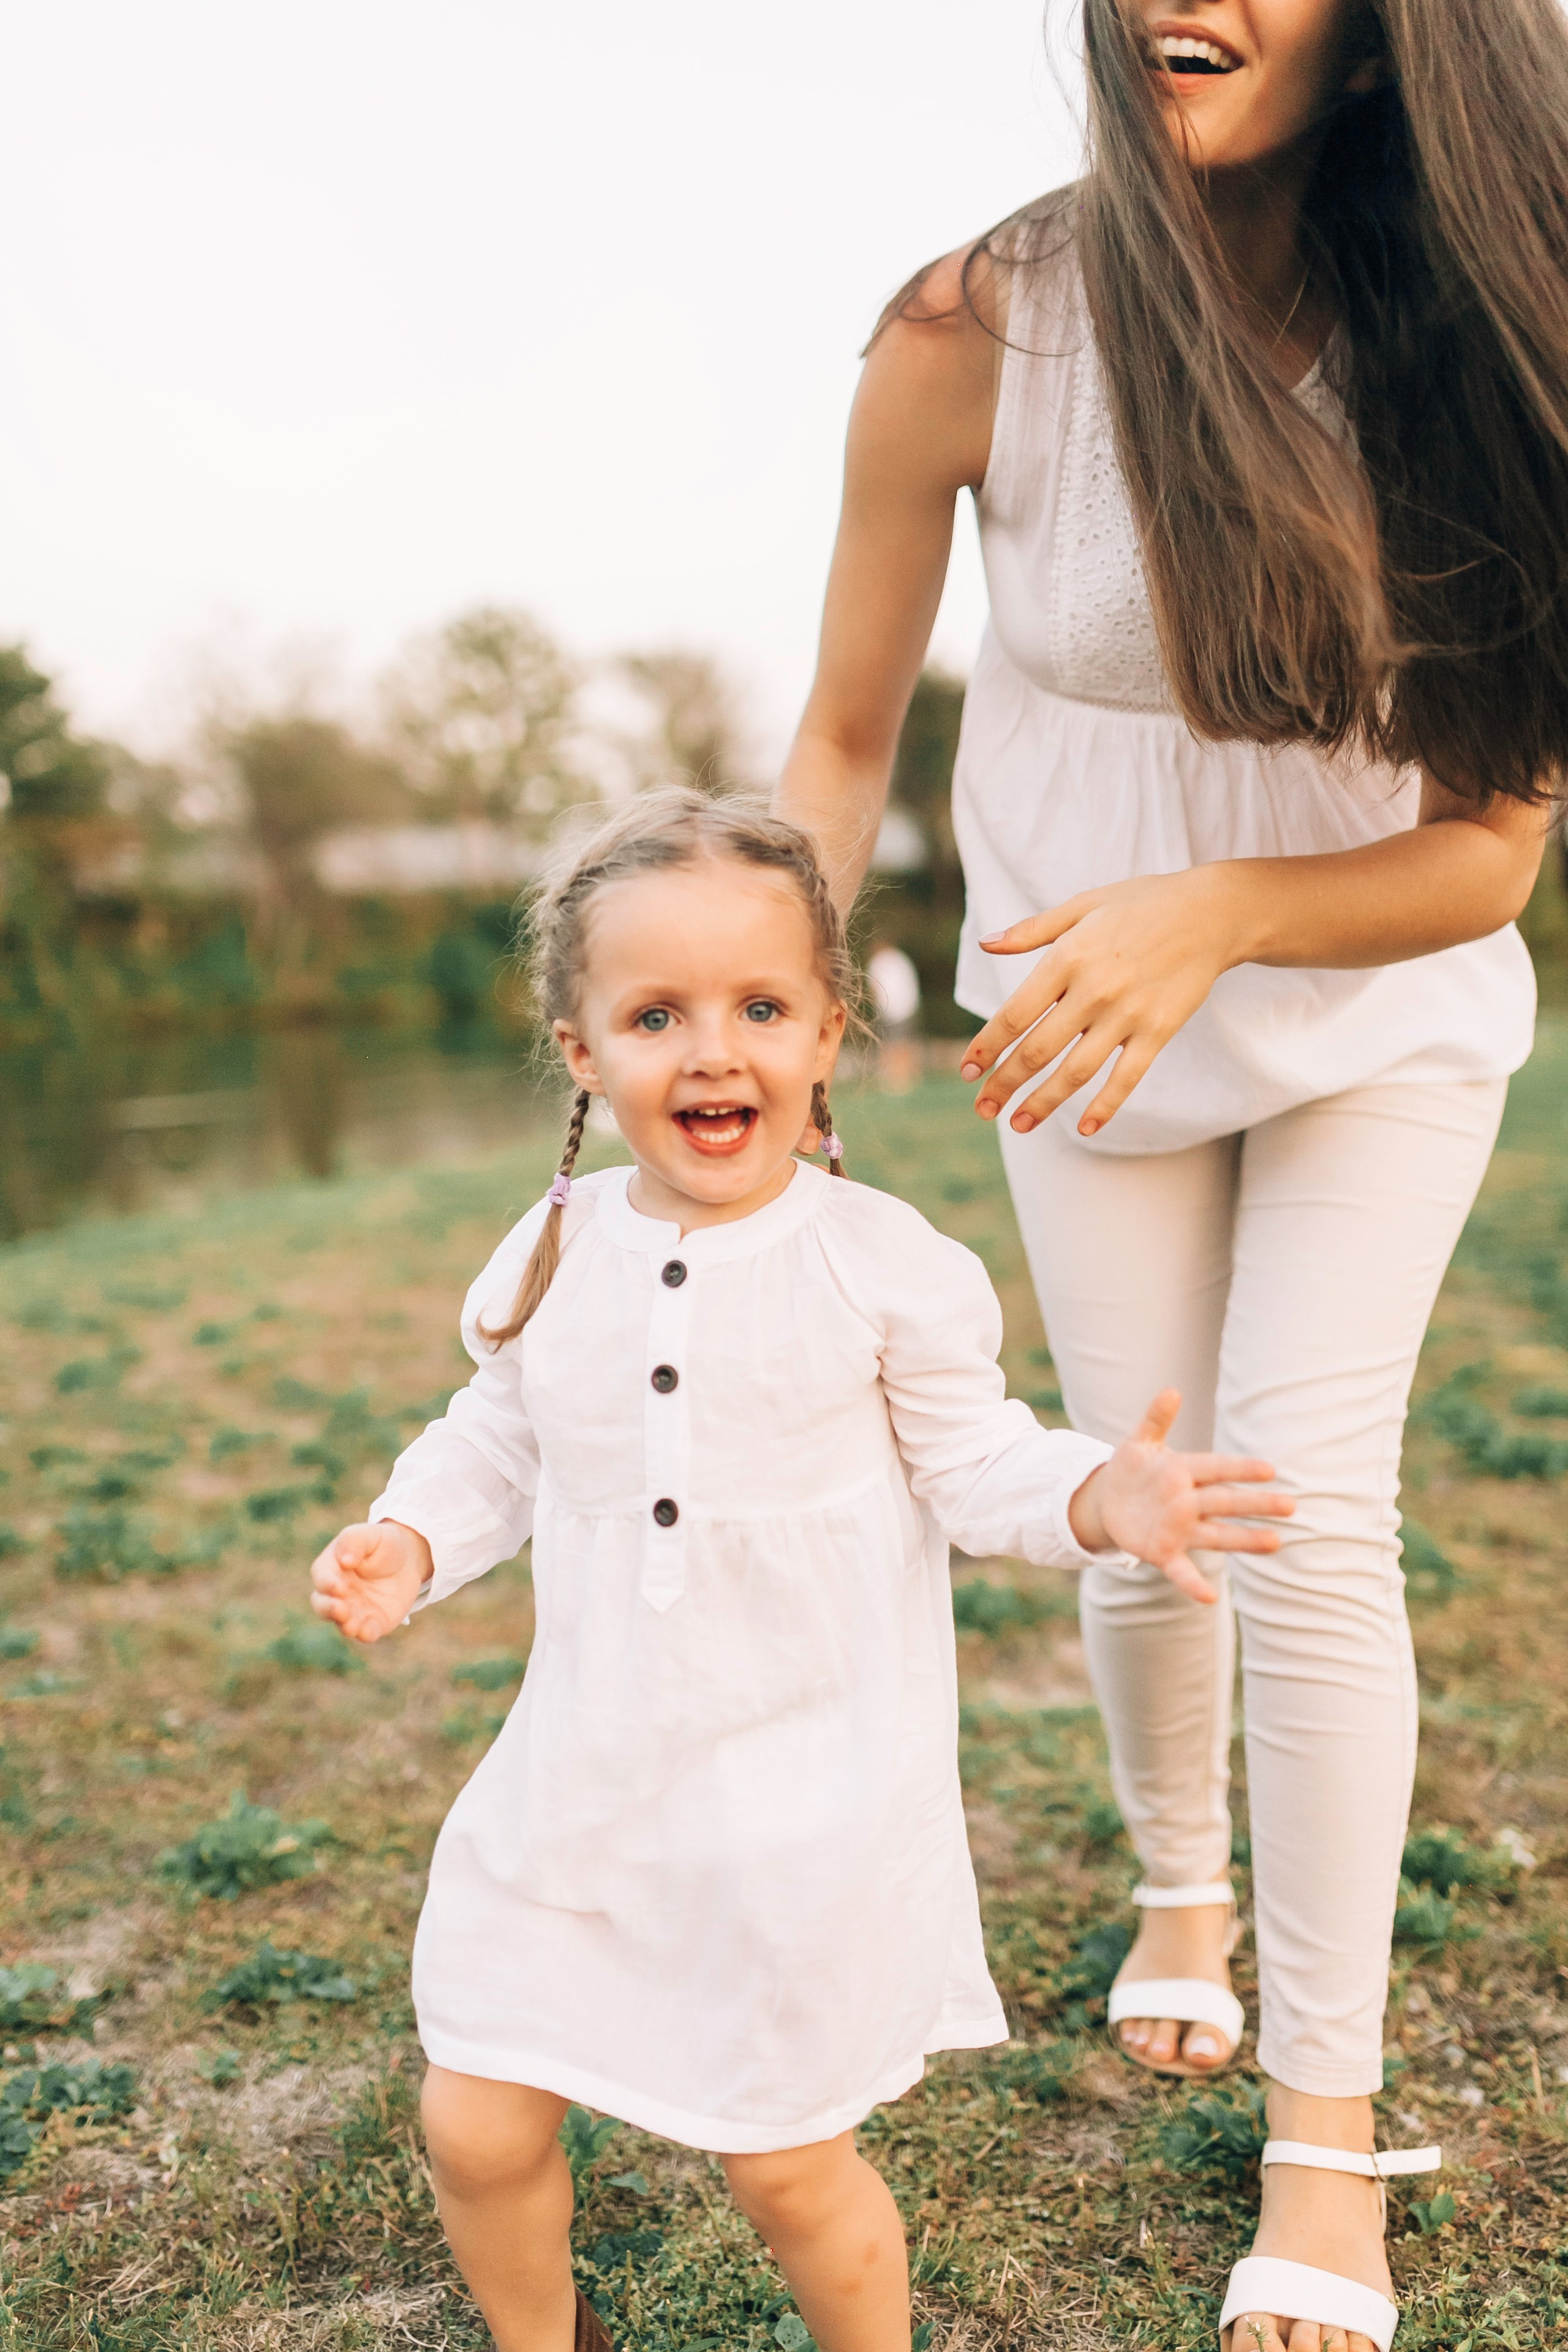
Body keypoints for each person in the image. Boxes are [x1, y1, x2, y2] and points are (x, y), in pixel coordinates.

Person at [777, 3, 1568, 2345]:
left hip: (1365, 1001)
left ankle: (1329, 2137)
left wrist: (1219, 910)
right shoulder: (970, 329)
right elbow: (840, 731)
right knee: (1140, 1498)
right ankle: (1180, 1896)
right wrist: (790, 1010)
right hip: (1074, 1006)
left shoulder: (1500, 325)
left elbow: (1491, 855)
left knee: (1301, 1508)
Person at [306, 788, 1289, 2352]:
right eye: (654, 1014)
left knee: (785, 2168)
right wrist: (409, 1538)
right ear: (580, 1052)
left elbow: (978, 1467)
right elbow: (499, 1435)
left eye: (760, 1006)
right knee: (480, 2119)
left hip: (802, 1820)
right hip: (579, 1785)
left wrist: (1102, 1491)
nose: (712, 1051)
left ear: (829, 1031)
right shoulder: (552, 1248)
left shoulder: (883, 1264)